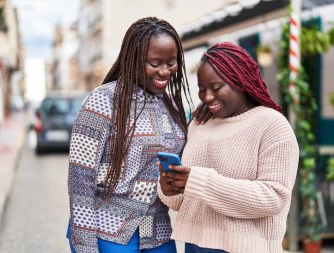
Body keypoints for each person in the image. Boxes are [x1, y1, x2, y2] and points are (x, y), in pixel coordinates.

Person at [67, 17, 194, 253]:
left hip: (158, 234)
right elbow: (80, 180)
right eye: (155, 63)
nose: (165, 71)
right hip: (106, 233)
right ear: (133, 59)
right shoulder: (102, 101)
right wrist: (85, 245)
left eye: (171, 62)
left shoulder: (174, 107)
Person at [158, 42, 299, 253]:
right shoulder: (200, 124)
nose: (207, 97)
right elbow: (184, 202)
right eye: (202, 89)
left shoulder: (272, 125)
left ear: (240, 81)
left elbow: (274, 197)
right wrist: (169, 188)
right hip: (193, 246)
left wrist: (199, 181)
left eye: (216, 88)